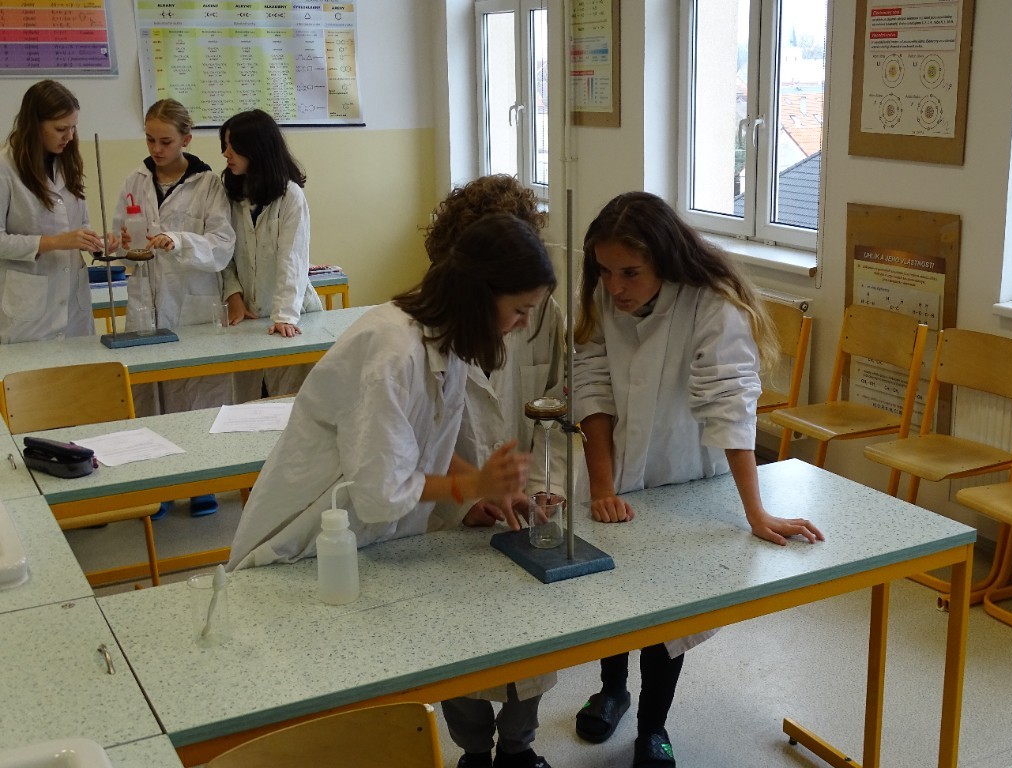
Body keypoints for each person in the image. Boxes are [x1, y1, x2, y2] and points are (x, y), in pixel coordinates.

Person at [571, 192, 824, 768]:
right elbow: (591, 388)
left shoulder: (714, 304)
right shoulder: (602, 297)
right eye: (605, 271)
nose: (615, 286)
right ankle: (611, 691)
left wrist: (755, 511)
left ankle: (653, 727)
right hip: (614, 467)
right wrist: (603, 487)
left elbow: (730, 408)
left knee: (669, 610)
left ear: (665, 258)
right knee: (611, 592)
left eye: (630, 272)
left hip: (682, 471)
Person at [227, 212, 555, 572]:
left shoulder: (451, 346)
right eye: (520, 310)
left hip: (361, 544)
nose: (524, 323)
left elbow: (425, 445)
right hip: (297, 546)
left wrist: (491, 487)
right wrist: (473, 484)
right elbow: (380, 493)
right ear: (480, 295)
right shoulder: (393, 352)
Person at [422, 175, 564, 768]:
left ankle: (519, 749)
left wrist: (547, 487)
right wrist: (465, 498)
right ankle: (474, 751)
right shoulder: (430, 324)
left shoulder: (543, 313)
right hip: (451, 514)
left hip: (525, 508)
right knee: (461, 643)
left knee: (532, 642)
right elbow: (415, 443)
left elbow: (560, 404)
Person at [114, 98, 235, 518]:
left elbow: (222, 245)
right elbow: (122, 241)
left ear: (186, 139)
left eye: (165, 141)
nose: (156, 148)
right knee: (152, 398)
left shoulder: (209, 184)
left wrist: (179, 240)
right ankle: (160, 485)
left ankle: (204, 483)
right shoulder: (134, 180)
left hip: (192, 305)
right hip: (146, 304)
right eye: (150, 139)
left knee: (198, 396)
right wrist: (122, 245)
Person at [219, 109, 323, 402]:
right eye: (224, 145)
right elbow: (224, 253)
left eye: (233, 146)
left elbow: (293, 259)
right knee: (249, 403)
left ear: (257, 148)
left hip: (292, 315)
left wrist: (285, 316)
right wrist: (233, 295)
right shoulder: (232, 195)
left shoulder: (290, 196)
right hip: (249, 316)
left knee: (290, 401)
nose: (226, 153)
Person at [0, 79, 114, 344]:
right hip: (28, 314)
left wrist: (96, 244)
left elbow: (79, 224)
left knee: (80, 366)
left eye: (73, 127)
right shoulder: (5, 168)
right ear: (34, 125)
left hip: (74, 308)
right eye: (61, 129)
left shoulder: (68, 163)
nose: (70, 137)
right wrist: (54, 242)